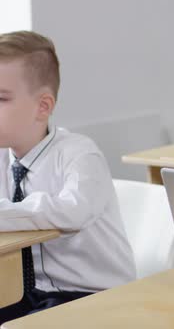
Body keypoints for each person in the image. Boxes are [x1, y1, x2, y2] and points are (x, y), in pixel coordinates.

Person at [0, 31, 135, 324]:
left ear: (43, 107)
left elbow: (72, 212)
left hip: (92, 294)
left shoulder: (79, 154)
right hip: (28, 292)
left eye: (1, 98)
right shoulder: (2, 156)